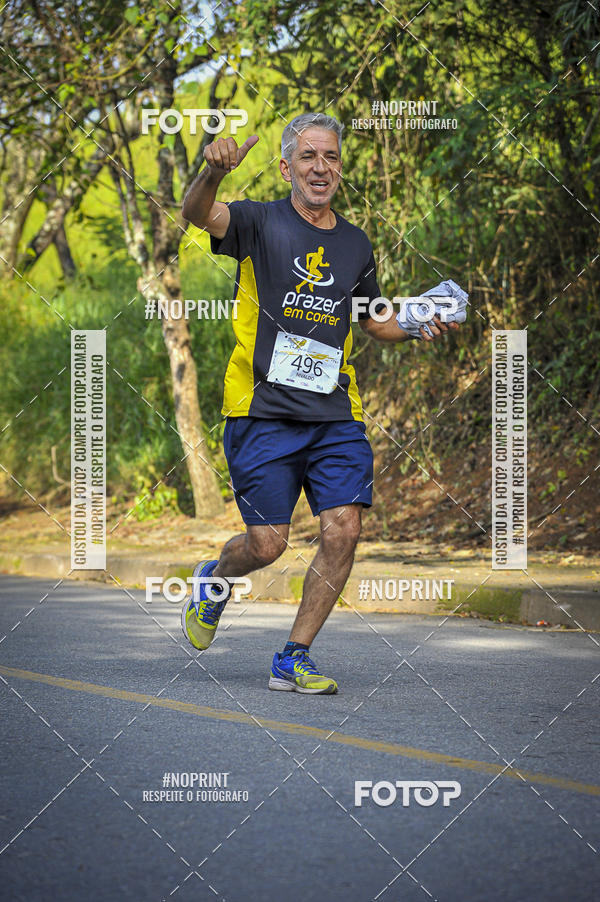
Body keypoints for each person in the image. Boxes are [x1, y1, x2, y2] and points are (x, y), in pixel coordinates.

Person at [180, 112, 459, 695]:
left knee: (343, 529)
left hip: (335, 412)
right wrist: (211, 172)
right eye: (308, 157)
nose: (320, 167)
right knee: (267, 545)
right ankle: (214, 580)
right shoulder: (259, 221)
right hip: (262, 410)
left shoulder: (356, 242)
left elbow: (373, 318)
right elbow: (198, 213)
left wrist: (414, 323)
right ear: (286, 167)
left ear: (340, 168)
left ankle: (293, 655)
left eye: (330, 157)